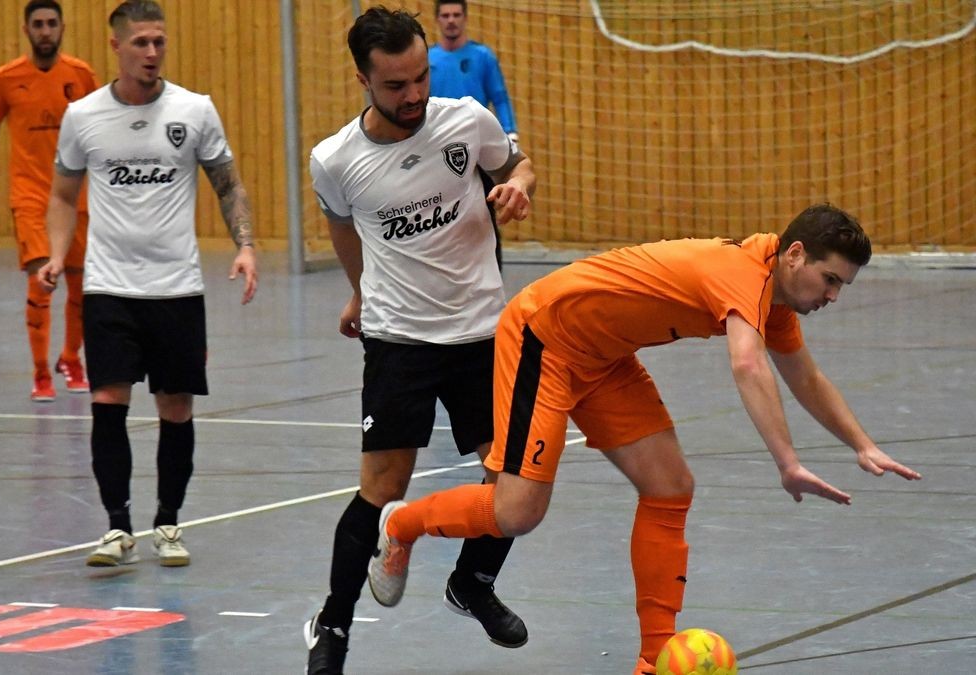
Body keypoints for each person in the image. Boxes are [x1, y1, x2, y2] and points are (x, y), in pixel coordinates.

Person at [367, 204, 923, 675]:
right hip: (547, 339)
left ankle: (655, 662)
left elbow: (805, 376)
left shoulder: (773, 299)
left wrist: (861, 443)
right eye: (830, 281)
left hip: (604, 358)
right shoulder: (741, 272)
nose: (833, 296)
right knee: (517, 512)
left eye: (842, 287)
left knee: (670, 486)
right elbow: (748, 365)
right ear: (795, 254)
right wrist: (787, 462)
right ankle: (402, 526)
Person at [303, 7, 536, 674]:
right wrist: (358, 291)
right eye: (396, 86)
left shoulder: (465, 120)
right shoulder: (335, 160)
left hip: (483, 333)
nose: (413, 97)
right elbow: (346, 231)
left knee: (511, 479)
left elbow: (520, 165)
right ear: (362, 80)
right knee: (382, 484)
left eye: (419, 79)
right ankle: (334, 625)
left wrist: (517, 186)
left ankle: (473, 581)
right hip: (400, 338)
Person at [38, 0, 258, 568]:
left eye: (159, 41)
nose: (152, 52)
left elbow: (227, 184)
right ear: (116, 46)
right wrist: (57, 257)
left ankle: (168, 523)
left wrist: (246, 246)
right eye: (141, 43)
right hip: (109, 287)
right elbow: (62, 195)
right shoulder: (84, 116)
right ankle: (116, 528)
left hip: (176, 289)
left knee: (175, 406)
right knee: (107, 400)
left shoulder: (195, 110)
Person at [0, 0, 99, 402]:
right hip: (30, 196)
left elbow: (100, 132)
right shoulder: (5, 79)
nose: (45, 31)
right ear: (26, 30)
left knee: (81, 285)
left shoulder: (80, 75)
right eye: (38, 25)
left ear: (63, 28)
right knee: (41, 280)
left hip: (75, 195)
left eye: (52, 24)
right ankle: (41, 371)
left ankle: (71, 359)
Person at [429, 1, 518, 142]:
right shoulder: (427, 58)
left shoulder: (483, 56)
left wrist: (510, 132)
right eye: (445, 15)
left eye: (456, 15)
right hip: (437, 139)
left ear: (465, 18)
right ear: (437, 19)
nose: (451, 20)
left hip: (477, 138)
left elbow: (500, 98)